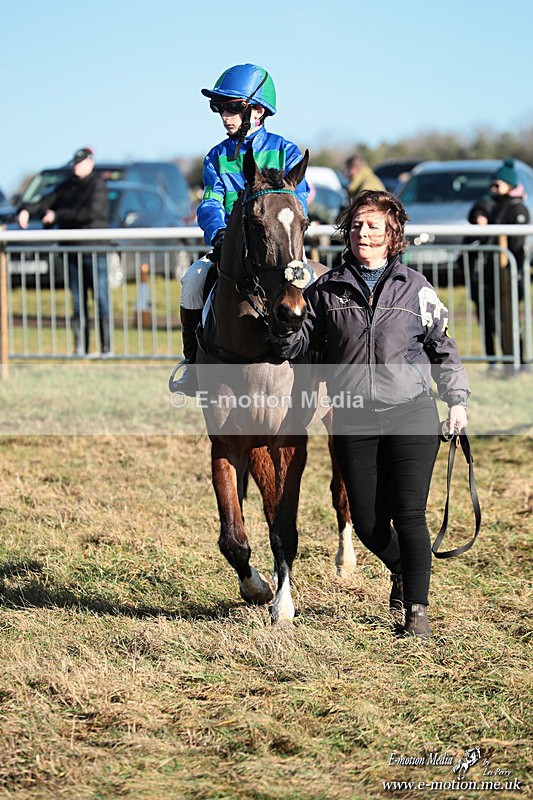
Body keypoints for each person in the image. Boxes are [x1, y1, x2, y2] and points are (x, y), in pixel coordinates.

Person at [270, 190, 470, 639]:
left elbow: (443, 347)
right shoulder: (325, 289)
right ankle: (402, 567)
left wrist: (456, 400)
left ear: (392, 235)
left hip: (411, 413)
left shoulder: (417, 288)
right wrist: (285, 331)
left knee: (409, 514)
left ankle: (416, 612)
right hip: (353, 414)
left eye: (373, 226)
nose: (364, 233)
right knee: (367, 522)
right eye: (357, 225)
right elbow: (303, 347)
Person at [174, 63, 310, 395]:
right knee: (192, 282)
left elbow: (299, 203)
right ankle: (193, 365)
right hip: (231, 249)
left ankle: (320, 365)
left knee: (317, 286)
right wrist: (218, 234)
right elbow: (210, 202)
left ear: (259, 110)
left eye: (234, 107)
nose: (225, 115)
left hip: (283, 252)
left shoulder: (286, 151)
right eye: (220, 107)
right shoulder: (215, 157)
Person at [18, 147, 111, 357]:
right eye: (75, 162)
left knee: (101, 300)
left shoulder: (98, 185)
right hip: (71, 252)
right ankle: (81, 348)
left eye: (80, 162)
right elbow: (45, 202)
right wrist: (25, 210)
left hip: (94, 251)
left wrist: (56, 216)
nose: (76, 166)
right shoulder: (67, 186)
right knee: (78, 303)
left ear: (90, 163)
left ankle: (107, 349)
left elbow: (90, 213)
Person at [467, 158, 530, 372]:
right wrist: (479, 215)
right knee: (489, 320)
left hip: (508, 275)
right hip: (488, 274)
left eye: (498, 184)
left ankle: (515, 364)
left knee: (509, 322)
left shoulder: (517, 208)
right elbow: (479, 207)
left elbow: (515, 244)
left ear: (509, 184)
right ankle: (494, 363)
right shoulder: (492, 202)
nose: (493, 188)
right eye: (492, 184)